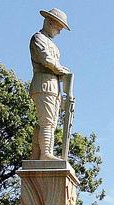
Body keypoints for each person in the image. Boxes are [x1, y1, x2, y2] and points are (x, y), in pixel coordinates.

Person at [29, 8, 71, 160]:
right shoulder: (38, 38)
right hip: (43, 84)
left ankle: (41, 153)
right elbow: (46, 60)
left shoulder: (52, 44)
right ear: (50, 22)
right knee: (46, 121)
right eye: (58, 27)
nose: (59, 32)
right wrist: (62, 69)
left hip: (54, 86)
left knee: (51, 123)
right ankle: (45, 154)